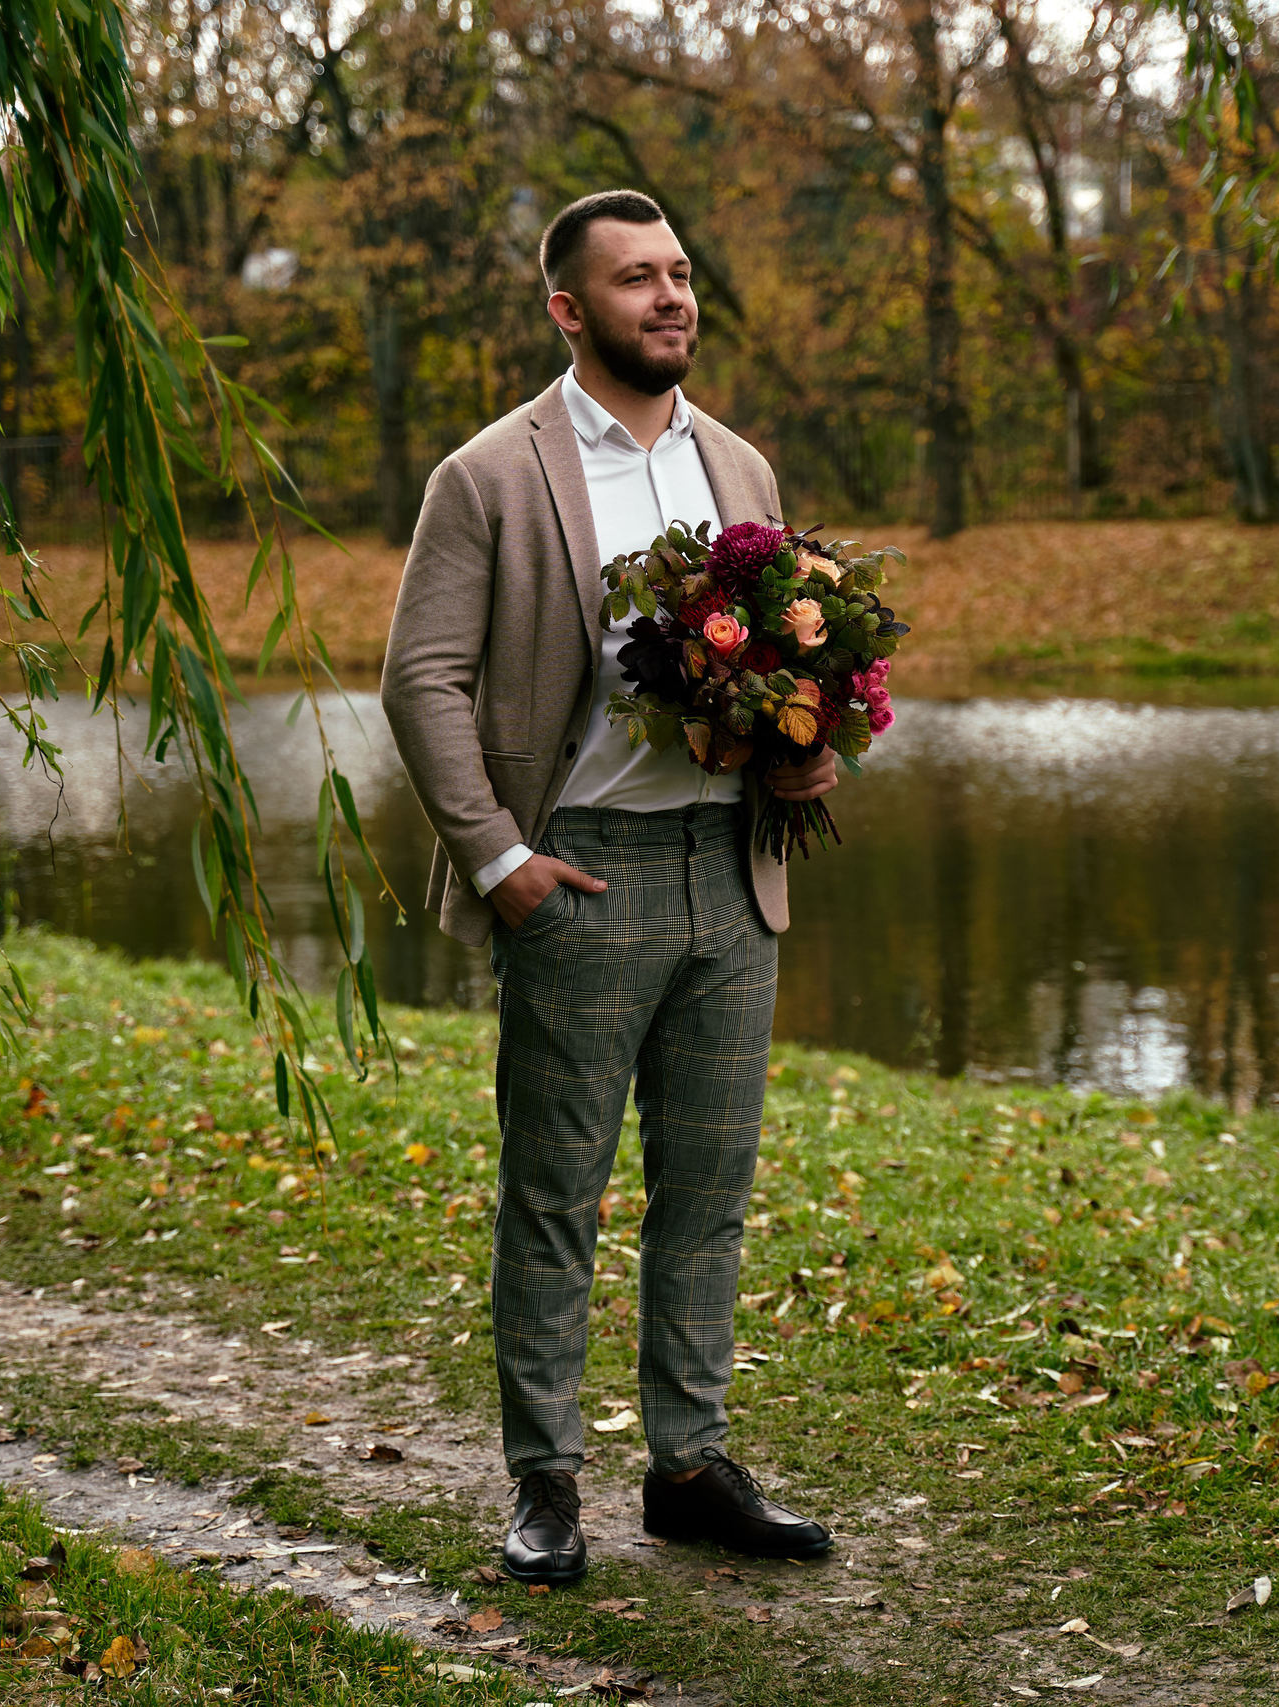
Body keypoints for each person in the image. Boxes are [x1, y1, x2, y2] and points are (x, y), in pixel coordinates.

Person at [381, 189, 838, 1584]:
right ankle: (546, 1485)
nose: (671, 298)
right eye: (637, 279)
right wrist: (498, 860)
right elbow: (422, 677)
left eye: (683, 273)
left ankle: (689, 1468)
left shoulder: (742, 469)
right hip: (582, 876)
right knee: (555, 1197)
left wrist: (807, 759)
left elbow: (782, 668)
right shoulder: (491, 473)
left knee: (706, 1193)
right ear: (570, 309)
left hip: (731, 876)